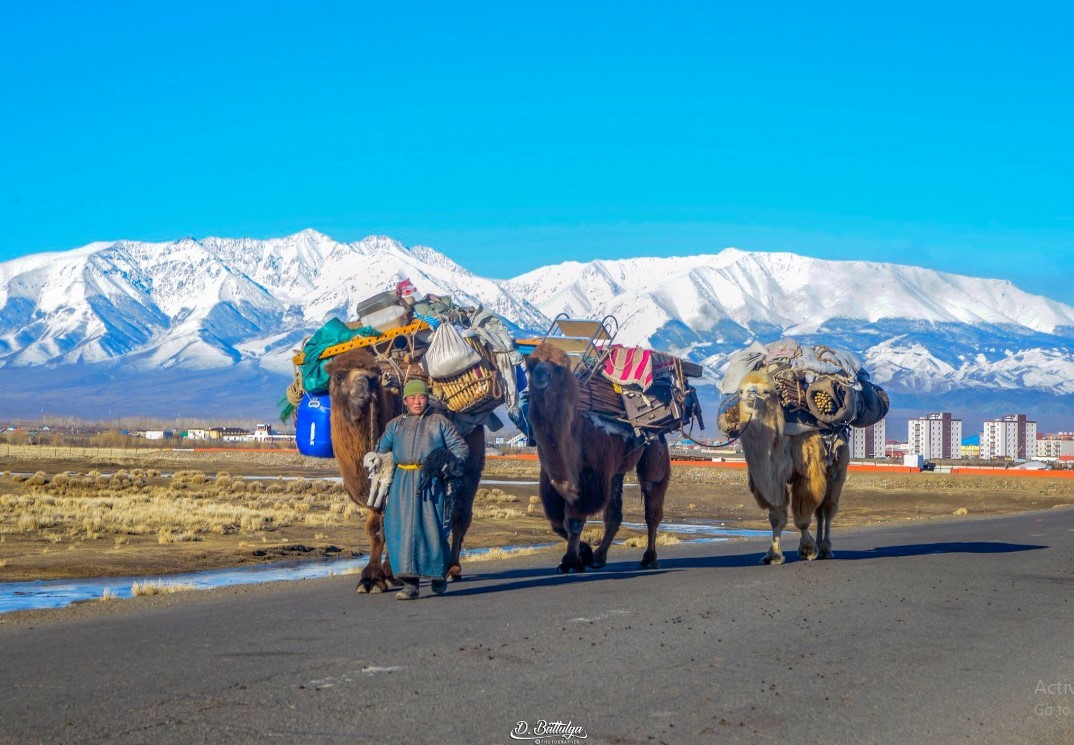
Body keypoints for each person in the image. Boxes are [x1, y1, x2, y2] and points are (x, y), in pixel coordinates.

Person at [376, 378, 469, 600]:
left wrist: (445, 464)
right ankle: (410, 584)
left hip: (431, 483)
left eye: (421, 397)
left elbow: (461, 449)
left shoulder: (440, 422)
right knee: (400, 530)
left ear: (427, 399)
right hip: (401, 483)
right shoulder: (395, 425)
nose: (417, 402)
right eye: (412, 398)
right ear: (406, 401)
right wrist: (377, 463)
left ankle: (437, 575)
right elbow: (380, 450)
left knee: (432, 529)